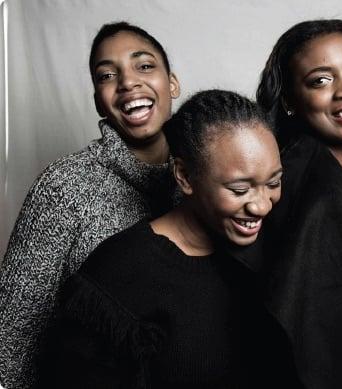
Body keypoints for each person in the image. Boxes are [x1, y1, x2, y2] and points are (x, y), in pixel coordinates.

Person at [39, 89, 284, 388]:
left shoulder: (269, 254)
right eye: (239, 189)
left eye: (273, 182)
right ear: (183, 176)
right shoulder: (119, 271)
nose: (261, 205)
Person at [0, 22, 180, 388]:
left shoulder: (208, 180)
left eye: (144, 66)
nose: (128, 82)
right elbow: (13, 332)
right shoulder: (65, 186)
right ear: (99, 99)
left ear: (172, 83)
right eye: (106, 75)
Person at [227, 19, 342, 388]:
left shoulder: (323, 176)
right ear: (290, 100)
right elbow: (335, 360)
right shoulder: (322, 195)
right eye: (321, 80)